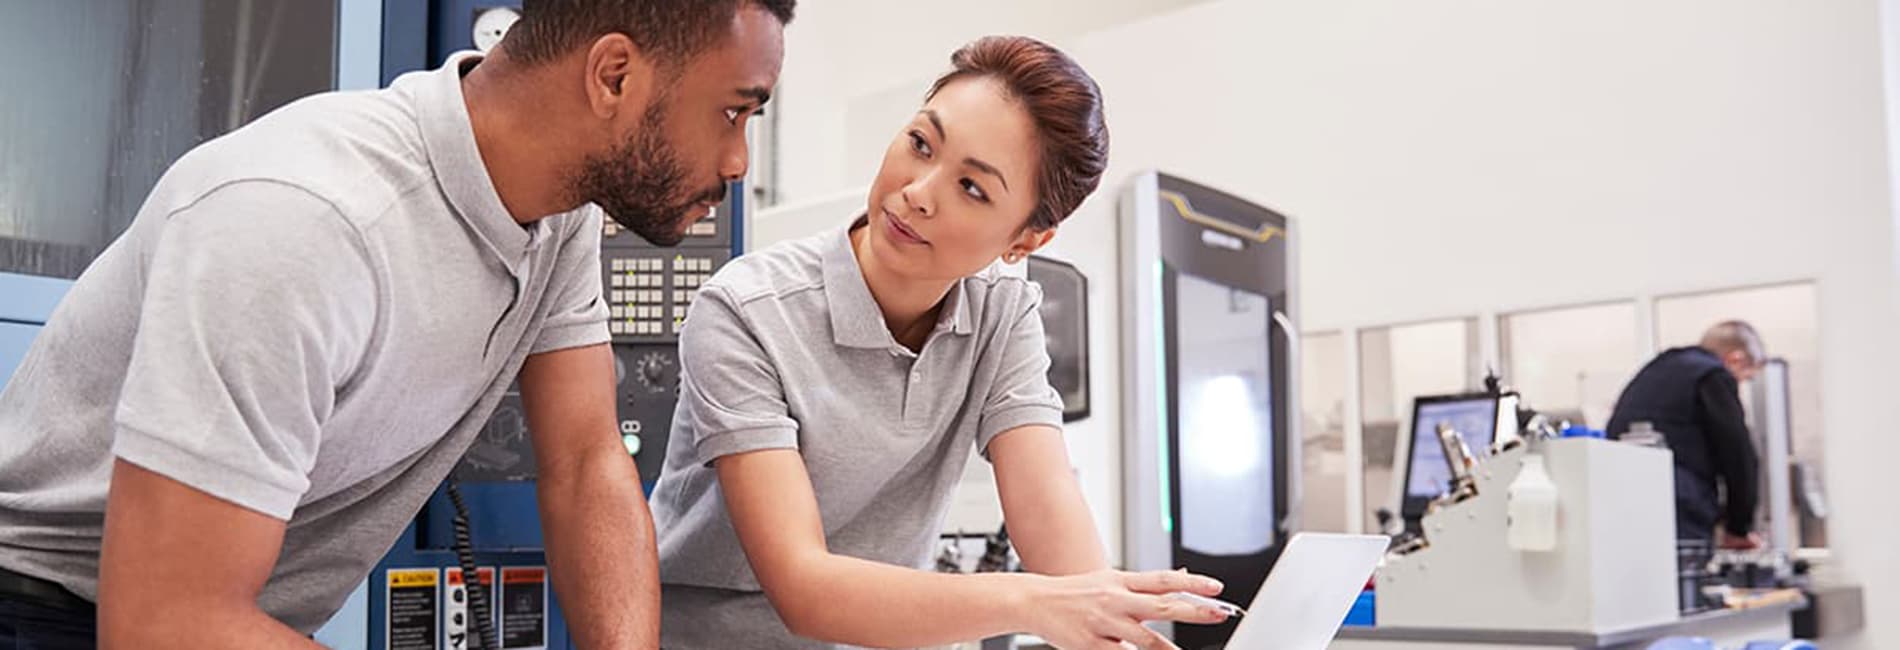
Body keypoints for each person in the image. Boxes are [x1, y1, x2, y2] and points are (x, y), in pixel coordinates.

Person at [0, 1, 792, 647]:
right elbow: (162, 625)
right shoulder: (306, 221)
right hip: (45, 607)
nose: (738, 163)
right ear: (613, 75)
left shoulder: (558, 217)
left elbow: (587, 462)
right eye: (732, 112)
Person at [649, 35, 1229, 650]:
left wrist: (1112, 619)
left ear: (1026, 242)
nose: (919, 192)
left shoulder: (1002, 312)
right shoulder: (747, 310)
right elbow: (803, 589)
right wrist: (1033, 601)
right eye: (921, 144)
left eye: (972, 188)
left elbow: (1052, 517)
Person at [1607, 320, 1766, 549]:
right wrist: (1738, 528)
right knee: (1685, 576)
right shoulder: (1712, 375)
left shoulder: (1657, 369)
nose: (1740, 384)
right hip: (1681, 502)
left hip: (1622, 496)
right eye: (1746, 377)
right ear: (1736, 359)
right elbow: (1738, 454)